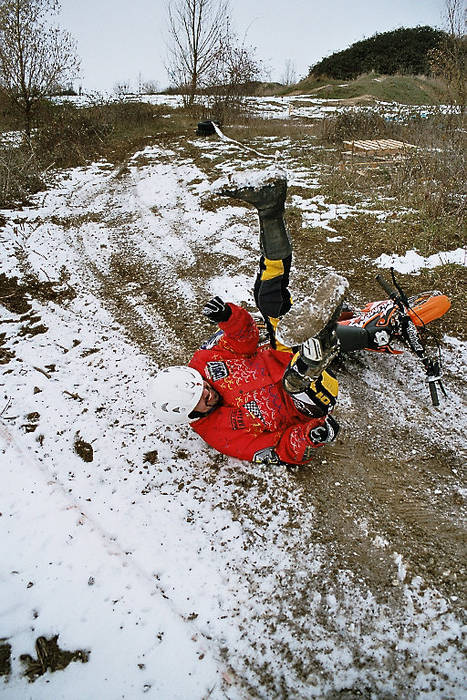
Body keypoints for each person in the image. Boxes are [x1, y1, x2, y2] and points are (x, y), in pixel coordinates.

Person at [149, 171, 343, 466]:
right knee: (295, 384)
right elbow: (278, 449)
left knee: (267, 296)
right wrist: (312, 434)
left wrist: (229, 318)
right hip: (307, 404)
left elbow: (245, 341)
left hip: (283, 354)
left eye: (200, 385)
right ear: (190, 415)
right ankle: (315, 353)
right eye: (200, 399)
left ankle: (270, 208)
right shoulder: (222, 436)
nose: (207, 392)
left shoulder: (204, 365)